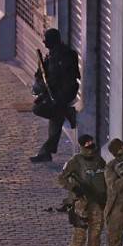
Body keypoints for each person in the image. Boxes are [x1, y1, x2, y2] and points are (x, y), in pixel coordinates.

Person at [57, 134, 107, 246]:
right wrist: (74, 189)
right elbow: (61, 178)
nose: (90, 146)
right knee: (79, 236)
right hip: (82, 204)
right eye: (87, 144)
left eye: (92, 143)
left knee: (95, 235)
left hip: (97, 203)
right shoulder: (75, 162)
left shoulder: (99, 161)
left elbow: (105, 178)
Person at [30, 28, 80, 163]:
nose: (44, 42)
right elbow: (42, 73)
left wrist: (51, 88)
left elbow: (64, 76)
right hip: (56, 92)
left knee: (43, 110)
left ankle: (67, 111)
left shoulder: (65, 55)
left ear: (53, 40)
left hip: (65, 92)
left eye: (46, 40)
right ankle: (46, 152)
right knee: (56, 116)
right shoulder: (51, 55)